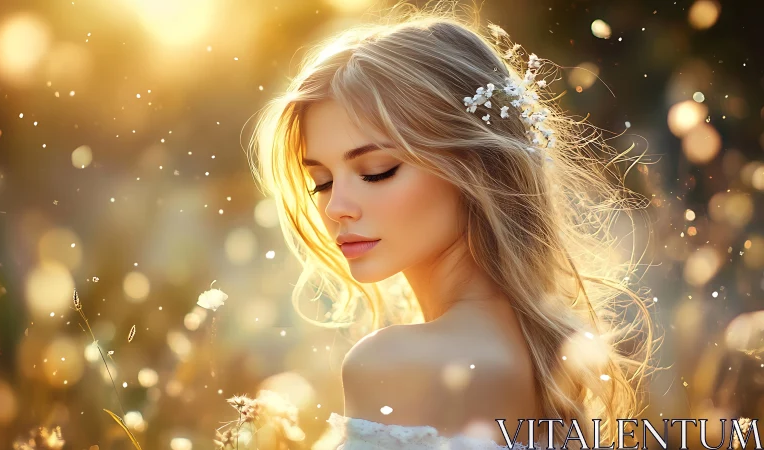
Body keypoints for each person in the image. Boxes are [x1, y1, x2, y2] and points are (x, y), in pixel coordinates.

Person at [248, 1, 661, 448]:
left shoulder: (392, 362)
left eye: (377, 171)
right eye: (321, 182)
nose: (336, 207)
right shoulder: (547, 357)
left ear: (475, 168)